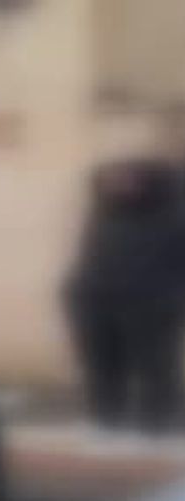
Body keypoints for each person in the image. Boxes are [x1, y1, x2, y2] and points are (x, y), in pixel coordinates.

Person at [65, 160, 185, 431]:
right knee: (103, 368)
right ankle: (106, 420)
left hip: (151, 307)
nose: (121, 186)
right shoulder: (105, 214)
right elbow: (90, 258)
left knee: (155, 368)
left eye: (130, 179)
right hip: (98, 304)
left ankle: (158, 423)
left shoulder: (172, 217)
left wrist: (169, 302)